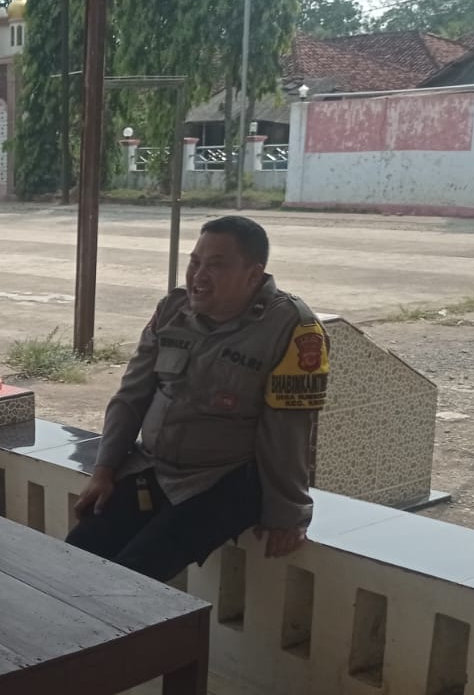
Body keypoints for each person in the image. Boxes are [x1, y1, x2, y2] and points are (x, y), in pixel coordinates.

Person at [67, 215, 329, 581]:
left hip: (222, 482)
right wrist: (104, 469)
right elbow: (131, 396)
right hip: (153, 468)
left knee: (133, 576)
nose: (198, 276)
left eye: (215, 265)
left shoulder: (292, 327)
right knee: (73, 556)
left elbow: (287, 431)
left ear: (253, 274)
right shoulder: (172, 310)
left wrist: (288, 512)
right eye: (195, 262)